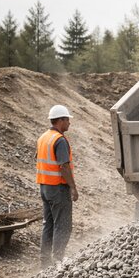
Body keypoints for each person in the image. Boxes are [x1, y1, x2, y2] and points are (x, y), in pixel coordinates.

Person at [36, 105, 79, 268]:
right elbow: (63, 166)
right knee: (63, 224)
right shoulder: (59, 140)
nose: (69, 123)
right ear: (60, 120)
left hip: (45, 187)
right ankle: (58, 260)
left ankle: (45, 262)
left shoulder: (43, 137)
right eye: (67, 120)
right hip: (58, 188)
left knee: (49, 224)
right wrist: (73, 187)